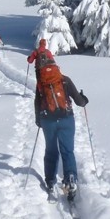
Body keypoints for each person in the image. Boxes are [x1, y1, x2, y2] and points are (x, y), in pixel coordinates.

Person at [34, 61, 88, 198]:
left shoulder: (41, 83)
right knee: (68, 151)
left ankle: (51, 181)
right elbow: (79, 102)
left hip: (48, 121)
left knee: (51, 150)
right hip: (66, 119)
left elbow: (38, 103)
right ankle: (70, 179)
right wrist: (84, 99)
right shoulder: (65, 80)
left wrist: (39, 120)